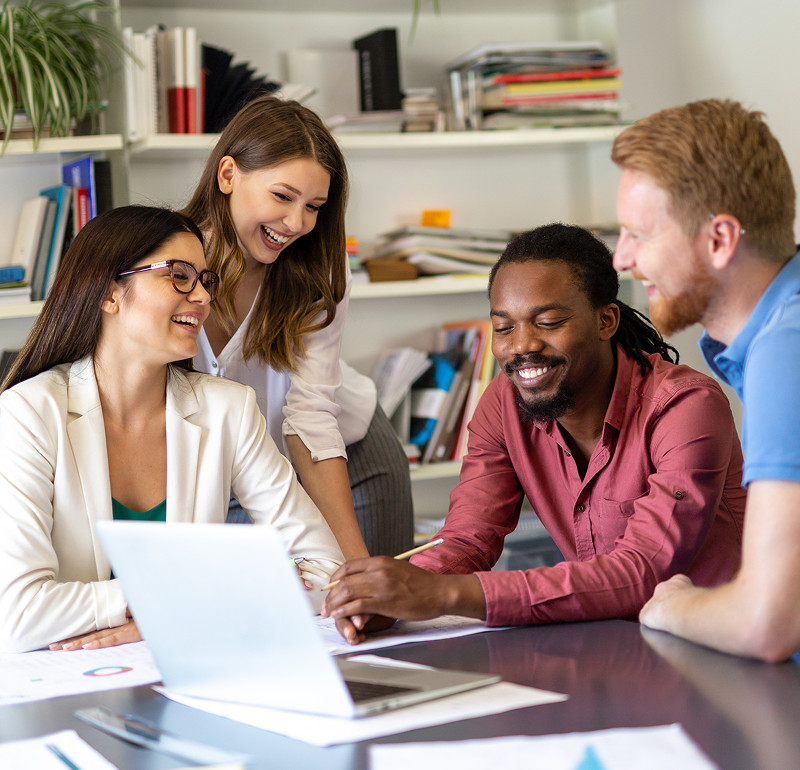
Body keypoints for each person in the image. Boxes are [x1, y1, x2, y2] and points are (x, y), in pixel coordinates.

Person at [322, 223, 746, 644]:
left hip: (720, 646)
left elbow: (644, 571)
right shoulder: (503, 403)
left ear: (606, 320)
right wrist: (389, 595)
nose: (521, 345)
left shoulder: (686, 407)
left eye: (548, 322)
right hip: (611, 644)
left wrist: (440, 593)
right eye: (503, 328)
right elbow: (468, 538)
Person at [0, 206, 344, 654]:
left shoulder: (229, 409)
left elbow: (325, 569)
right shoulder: (29, 412)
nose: (202, 297)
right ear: (109, 293)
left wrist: (177, 612)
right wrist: (176, 598)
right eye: (179, 276)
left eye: (205, 280)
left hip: (190, 666)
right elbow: (18, 614)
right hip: (67, 686)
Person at [181, 95, 413, 560]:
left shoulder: (317, 275)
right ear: (228, 175)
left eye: (314, 206)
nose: (296, 223)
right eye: (282, 197)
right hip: (236, 478)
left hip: (346, 455)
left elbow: (310, 417)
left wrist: (359, 567)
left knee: (368, 613)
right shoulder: (164, 268)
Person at [612, 98, 800, 662]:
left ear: (719, 239)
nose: (621, 258)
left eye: (637, 235)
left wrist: (673, 603)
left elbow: (768, 624)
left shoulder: (785, 347)